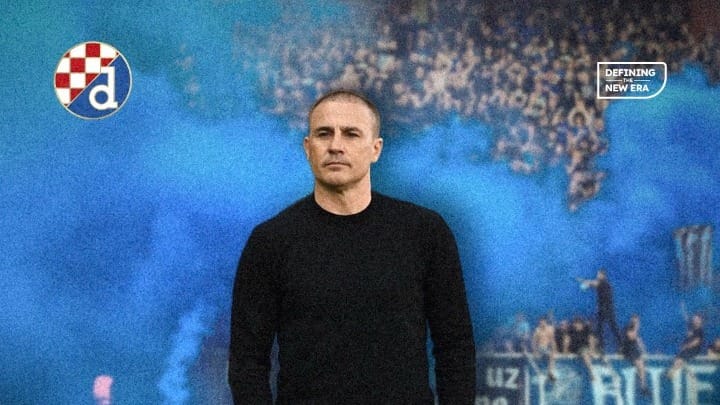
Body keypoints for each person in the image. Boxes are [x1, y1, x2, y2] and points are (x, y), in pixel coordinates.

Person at [228, 89, 476, 404]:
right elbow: (247, 361)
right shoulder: (270, 242)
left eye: (351, 134)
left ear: (376, 149)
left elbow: (455, 346)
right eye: (323, 134)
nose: (335, 145)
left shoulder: (425, 233)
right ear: (308, 148)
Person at [577, 268, 621, 352]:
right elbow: (592, 284)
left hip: (606, 309)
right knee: (603, 327)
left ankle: (616, 345)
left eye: (599, 274)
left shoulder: (603, 283)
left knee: (608, 327)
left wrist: (583, 281)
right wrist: (586, 283)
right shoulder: (603, 283)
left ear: (603, 275)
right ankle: (602, 346)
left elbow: (593, 283)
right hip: (605, 308)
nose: (597, 275)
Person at [666, 313, 704, 379]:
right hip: (687, 349)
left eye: (697, 319)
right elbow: (687, 320)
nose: (694, 321)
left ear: (700, 321)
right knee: (678, 359)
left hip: (693, 350)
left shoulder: (699, 330)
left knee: (679, 360)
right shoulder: (692, 328)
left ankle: (671, 372)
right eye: (694, 319)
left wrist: (686, 346)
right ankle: (691, 374)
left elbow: (696, 342)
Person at [620, 314, 649, 396]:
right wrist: (635, 329)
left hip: (633, 350)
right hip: (628, 350)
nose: (637, 323)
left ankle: (643, 385)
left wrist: (644, 351)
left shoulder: (635, 330)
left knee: (642, 365)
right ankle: (643, 386)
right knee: (640, 364)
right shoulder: (628, 328)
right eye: (636, 321)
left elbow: (639, 342)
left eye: (638, 321)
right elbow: (632, 337)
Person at [531, 317, 557, 381]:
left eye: (543, 321)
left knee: (551, 356)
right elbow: (534, 342)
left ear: (546, 322)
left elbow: (552, 340)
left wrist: (554, 350)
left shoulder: (550, 329)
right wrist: (535, 351)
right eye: (540, 322)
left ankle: (550, 373)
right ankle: (549, 373)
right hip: (541, 348)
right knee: (550, 355)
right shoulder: (537, 330)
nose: (542, 323)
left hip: (547, 348)